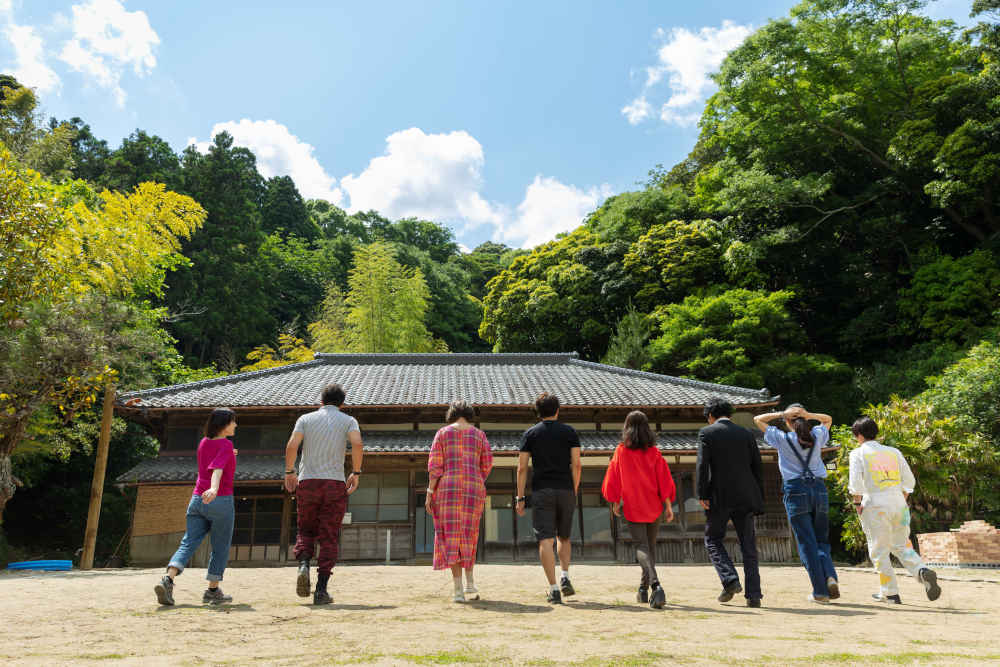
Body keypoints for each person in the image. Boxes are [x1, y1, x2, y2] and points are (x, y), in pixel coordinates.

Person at [284, 383, 364, 605]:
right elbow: (357, 444)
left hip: (308, 480)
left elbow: (292, 446)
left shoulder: (305, 419)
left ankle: (303, 565)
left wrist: (290, 472)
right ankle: (321, 590)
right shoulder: (348, 420)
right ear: (342, 403)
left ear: (321, 401)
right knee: (329, 534)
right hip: (334, 482)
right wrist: (355, 472)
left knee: (305, 527)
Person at [848, 417, 942, 604]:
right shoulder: (894, 452)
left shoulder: (858, 454)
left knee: (879, 550)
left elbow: (856, 484)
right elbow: (909, 482)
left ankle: (890, 593)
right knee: (901, 545)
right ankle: (921, 571)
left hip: (874, 504)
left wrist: (857, 504)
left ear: (858, 435)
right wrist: (901, 498)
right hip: (898, 503)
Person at [754, 403, 839, 604]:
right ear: (805, 420)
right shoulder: (817, 435)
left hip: (795, 490)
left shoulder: (783, 439)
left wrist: (782, 413)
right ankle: (829, 575)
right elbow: (828, 418)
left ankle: (820, 592)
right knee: (821, 539)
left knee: (806, 542)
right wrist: (808, 414)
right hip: (819, 488)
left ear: (787, 422)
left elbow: (758, 420)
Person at [154, 408, 238, 606]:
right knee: (220, 547)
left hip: (197, 499)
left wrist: (230, 454)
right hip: (219, 500)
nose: (236, 425)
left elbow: (214, 459)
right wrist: (214, 489)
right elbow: (216, 470)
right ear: (224, 425)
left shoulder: (204, 443)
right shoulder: (226, 444)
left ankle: (168, 579)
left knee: (188, 542)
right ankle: (212, 591)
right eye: (233, 422)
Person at [601, 411, 676, 609]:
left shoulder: (621, 451)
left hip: (634, 506)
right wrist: (668, 505)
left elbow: (613, 478)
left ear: (627, 428)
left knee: (642, 547)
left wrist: (615, 501)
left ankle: (656, 586)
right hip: (654, 506)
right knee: (649, 548)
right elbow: (665, 481)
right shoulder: (655, 453)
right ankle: (643, 590)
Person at [697, 398, 765, 607]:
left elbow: (703, 467)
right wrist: (758, 497)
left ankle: (730, 579)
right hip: (746, 496)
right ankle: (754, 596)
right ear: (730, 414)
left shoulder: (707, 433)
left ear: (710, 416)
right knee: (748, 546)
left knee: (713, 539)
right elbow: (757, 467)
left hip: (719, 497)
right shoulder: (746, 433)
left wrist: (702, 495)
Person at [515, 392, 582, 604]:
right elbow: (577, 464)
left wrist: (520, 497)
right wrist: (575, 488)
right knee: (564, 537)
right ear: (558, 410)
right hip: (566, 489)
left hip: (542, 491)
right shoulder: (570, 432)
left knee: (545, 539)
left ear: (538, 412)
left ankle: (553, 589)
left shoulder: (530, 434)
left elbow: (522, 468)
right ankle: (565, 576)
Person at [425, 400, 494, 602]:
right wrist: (475, 478)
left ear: (451, 414)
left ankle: (457, 590)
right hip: (474, 488)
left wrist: (430, 491)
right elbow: (487, 463)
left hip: (448, 489)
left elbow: (435, 466)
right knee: (470, 533)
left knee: (451, 535)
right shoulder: (479, 434)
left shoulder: (443, 433)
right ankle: (470, 581)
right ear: (469, 415)